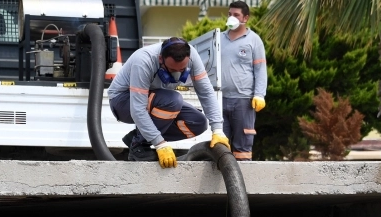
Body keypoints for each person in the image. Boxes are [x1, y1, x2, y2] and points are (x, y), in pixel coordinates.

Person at [108, 37, 230, 168]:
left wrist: (218, 130)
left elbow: (206, 92)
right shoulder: (143, 61)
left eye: (182, 70)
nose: (177, 75)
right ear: (161, 59)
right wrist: (160, 143)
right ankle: (139, 146)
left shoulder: (192, 56)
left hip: (159, 99)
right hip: (123, 101)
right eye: (172, 70)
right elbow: (137, 109)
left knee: (198, 122)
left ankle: (138, 137)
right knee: (173, 100)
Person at [221, 1, 267, 161]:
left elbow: (261, 70)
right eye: (229, 14)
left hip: (244, 101)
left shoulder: (254, 40)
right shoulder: (219, 39)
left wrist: (259, 94)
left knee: (242, 146)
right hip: (220, 99)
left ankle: (242, 181)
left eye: (236, 15)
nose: (231, 18)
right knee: (220, 145)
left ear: (245, 18)